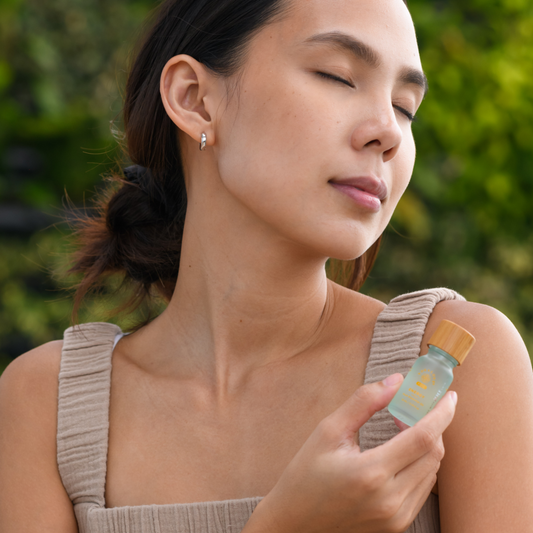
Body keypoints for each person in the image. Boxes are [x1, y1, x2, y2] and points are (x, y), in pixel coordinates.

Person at [1, 0, 532, 531]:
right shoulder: (48, 405)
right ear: (194, 99)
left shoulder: (450, 364)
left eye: (405, 107)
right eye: (338, 76)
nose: (388, 132)